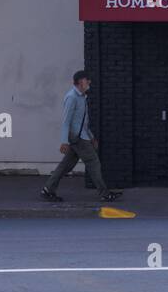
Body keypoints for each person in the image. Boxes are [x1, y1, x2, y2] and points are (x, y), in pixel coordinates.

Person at [40, 70, 122, 203]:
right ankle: (104, 193)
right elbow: (66, 121)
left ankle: (48, 189)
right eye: (86, 79)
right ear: (79, 82)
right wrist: (64, 141)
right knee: (93, 162)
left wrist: (91, 136)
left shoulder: (82, 96)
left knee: (66, 165)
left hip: (80, 136)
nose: (89, 81)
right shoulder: (72, 97)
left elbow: (83, 121)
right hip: (77, 138)